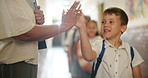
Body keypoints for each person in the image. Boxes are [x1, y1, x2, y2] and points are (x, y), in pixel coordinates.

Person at [0, 0, 81, 78]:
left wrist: (36, 20)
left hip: (26, 60)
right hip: (14, 61)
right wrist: (64, 25)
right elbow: (24, 33)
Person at [75, 7, 144, 78]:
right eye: (103, 22)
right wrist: (82, 27)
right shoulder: (99, 46)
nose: (106, 25)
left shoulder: (131, 52)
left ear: (123, 28)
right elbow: (88, 56)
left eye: (111, 22)